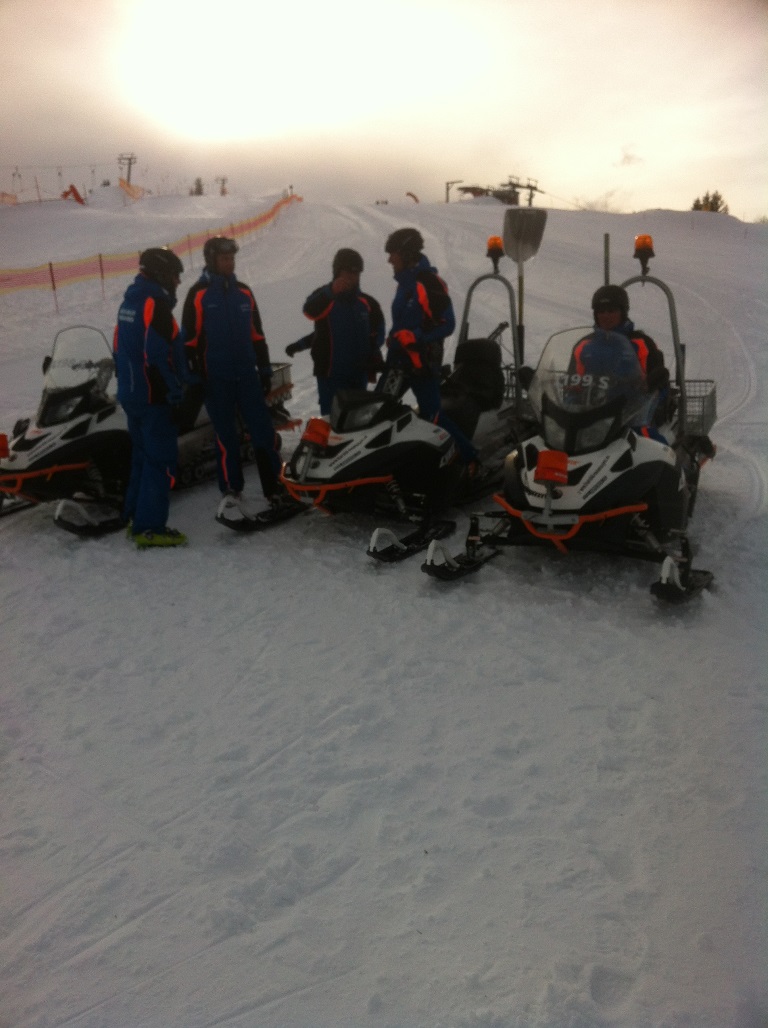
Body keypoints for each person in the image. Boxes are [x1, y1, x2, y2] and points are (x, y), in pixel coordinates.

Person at [181, 236, 289, 524]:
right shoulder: (199, 295)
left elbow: (258, 336)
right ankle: (231, 489)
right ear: (211, 260)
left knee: (263, 433)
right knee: (226, 436)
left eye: (232, 258)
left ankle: (275, 486)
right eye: (224, 259)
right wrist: (194, 378)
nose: (230, 263)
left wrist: (264, 371)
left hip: (247, 378)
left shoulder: (244, 293)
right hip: (216, 380)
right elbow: (189, 343)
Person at [382, 227, 479, 467]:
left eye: (393, 254)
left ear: (406, 254)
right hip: (398, 362)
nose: (389, 260)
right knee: (378, 411)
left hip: (421, 365)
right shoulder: (404, 284)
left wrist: (414, 337)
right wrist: (394, 336)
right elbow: (407, 320)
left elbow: (447, 324)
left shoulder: (428, 282)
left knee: (432, 416)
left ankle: (470, 461)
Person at [113, 246, 188, 548]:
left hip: (131, 394)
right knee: (161, 462)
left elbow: (119, 346)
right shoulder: (155, 304)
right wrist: (173, 390)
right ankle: (150, 527)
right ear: (160, 274)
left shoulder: (130, 301)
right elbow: (156, 354)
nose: (177, 283)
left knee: (142, 458)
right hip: (152, 396)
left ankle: (133, 515)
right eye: (174, 276)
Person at [287, 248, 385, 414]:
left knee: (358, 419)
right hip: (330, 374)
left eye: (356, 273)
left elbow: (379, 332)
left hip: (358, 373)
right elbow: (309, 311)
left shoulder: (367, 303)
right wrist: (299, 345)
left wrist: (373, 351)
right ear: (337, 271)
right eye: (347, 272)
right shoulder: (325, 297)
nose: (351, 277)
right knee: (332, 421)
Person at [582, 284, 671, 438]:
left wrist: (648, 387)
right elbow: (573, 381)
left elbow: (659, 385)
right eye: (601, 311)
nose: (606, 316)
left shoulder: (642, 343)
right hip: (592, 411)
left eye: (611, 311)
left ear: (623, 312)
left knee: (647, 444)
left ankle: (668, 462)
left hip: (633, 413)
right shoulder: (584, 346)